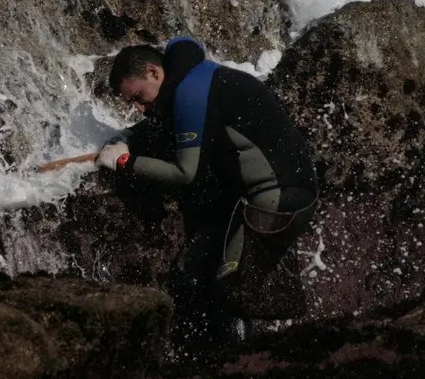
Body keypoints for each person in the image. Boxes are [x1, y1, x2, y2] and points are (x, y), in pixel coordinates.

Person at [96, 36, 319, 345]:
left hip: (278, 197)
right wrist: (128, 136)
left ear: (152, 71)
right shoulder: (194, 78)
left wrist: (124, 161)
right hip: (278, 191)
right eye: (131, 103)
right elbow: (164, 130)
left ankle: (240, 366)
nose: (138, 108)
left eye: (137, 97)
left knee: (229, 290)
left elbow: (185, 172)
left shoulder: (190, 93)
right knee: (197, 275)